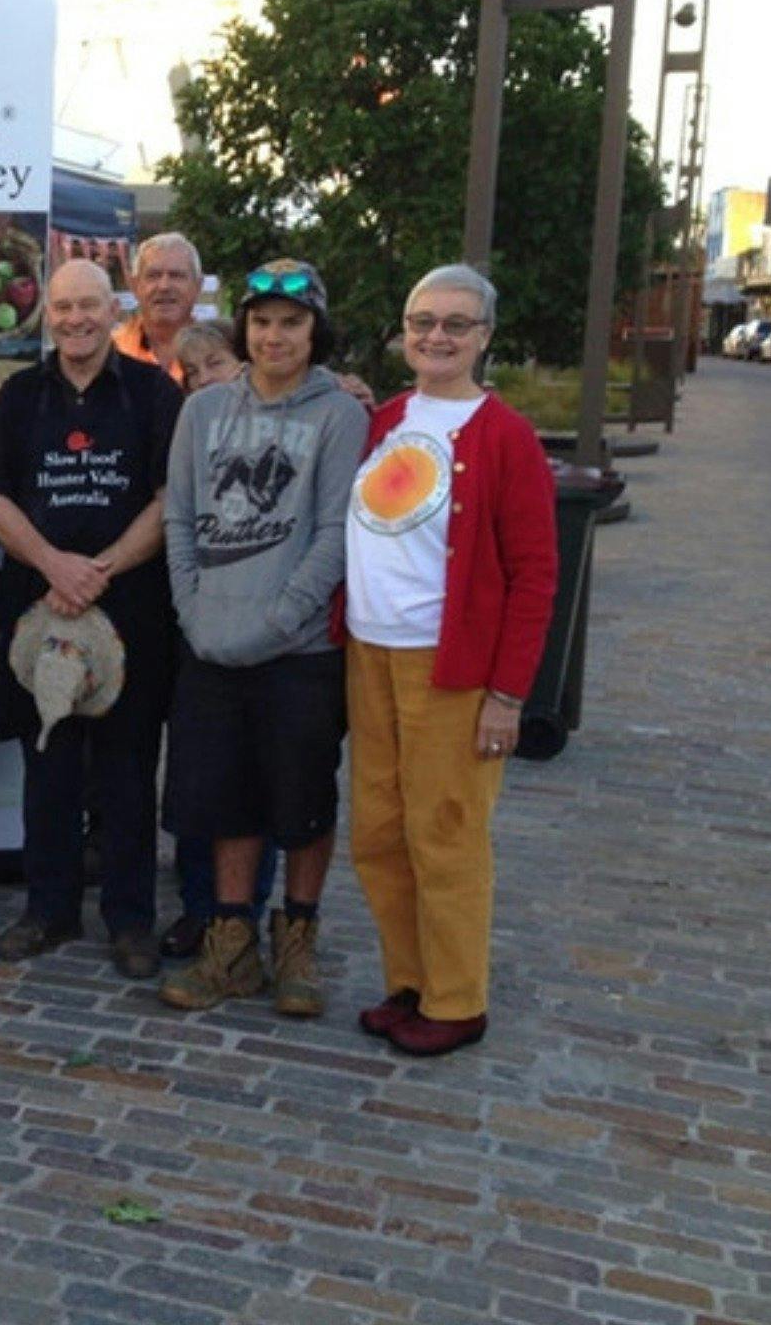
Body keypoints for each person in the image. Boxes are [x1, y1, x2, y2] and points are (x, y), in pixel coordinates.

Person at [345, 264, 556, 1055]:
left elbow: (536, 573)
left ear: (484, 338)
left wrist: (507, 694)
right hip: (370, 652)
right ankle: (410, 978)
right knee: (378, 831)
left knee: (446, 832)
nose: (436, 335)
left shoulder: (505, 436)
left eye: (455, 324)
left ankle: (457, 997)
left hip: (450, 666)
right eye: (422, 320)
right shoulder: (387, 419)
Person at [157, 259, 368, 1017]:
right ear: (243, 327)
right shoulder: (204, 412)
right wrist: (191, 606)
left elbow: (336, 531)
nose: (274, 336)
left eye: (292, 322)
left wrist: (282, 620)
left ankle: (298, 941)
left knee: (302, 802)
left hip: (298, 652)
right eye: (262, 321)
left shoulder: (340, 416)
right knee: (225, 802)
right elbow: (179, 516)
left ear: (315, 331)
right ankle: (231, 943)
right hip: (211, 643)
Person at [0, 259, 181, 978]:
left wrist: (101, 569)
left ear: (111, 309)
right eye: (62, 308)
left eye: (88, 307)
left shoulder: (155, 394)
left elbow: (169, 501)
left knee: (129, 773)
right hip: (41, 609)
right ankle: (48, 910)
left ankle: (131, 921)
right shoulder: (20, 395)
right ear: (49, 315)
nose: (74, 320)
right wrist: (56, 566)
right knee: (49, 766)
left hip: (130, 609)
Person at [157, 314, 280, 961]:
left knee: (256, 775)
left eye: (216, 364)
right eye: (191, 371)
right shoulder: (190, 429)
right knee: (198, 775)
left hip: (270, 630)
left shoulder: (287, 423)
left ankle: (247, 913)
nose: (204, 379)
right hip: (197, 624)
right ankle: (199, 906)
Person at [114, 233, 200, 385]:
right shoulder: (111, 351)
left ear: (198, 286)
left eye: (176, 276)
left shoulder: (220, 354)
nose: (164, 286)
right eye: (153, 276)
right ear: (135, 286)